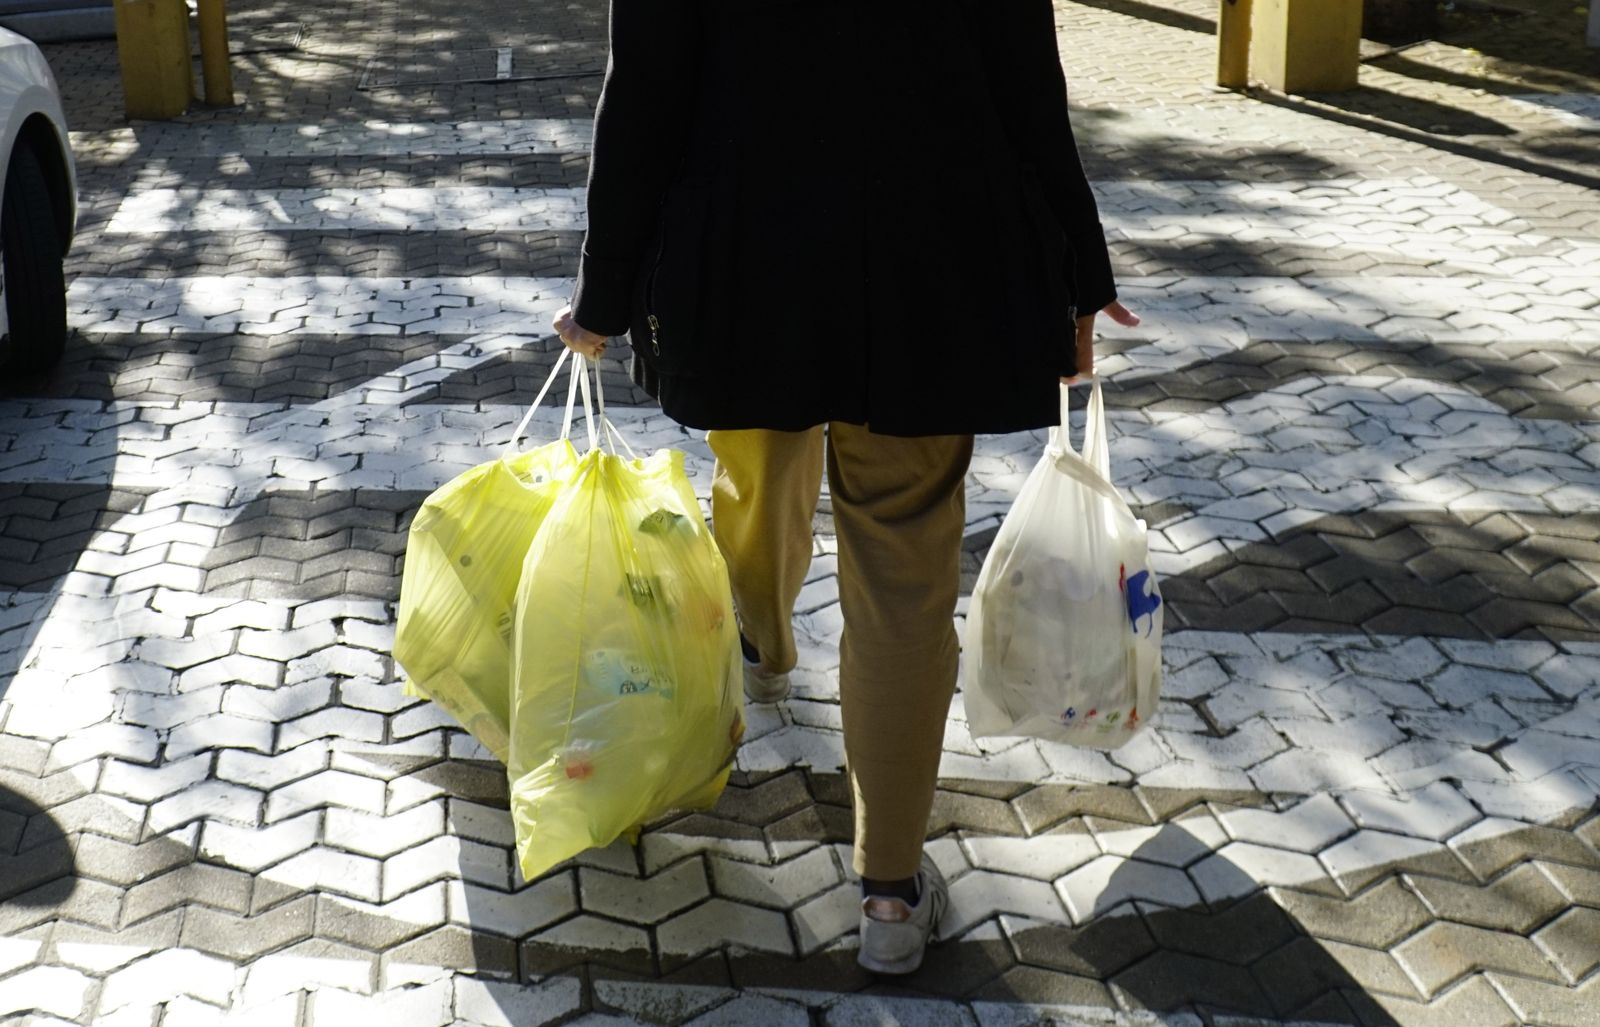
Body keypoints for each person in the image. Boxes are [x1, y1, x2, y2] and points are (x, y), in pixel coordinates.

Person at [552, 0, 1139, 975]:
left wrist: (605, 289)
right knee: (905, 567)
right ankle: (889, 895)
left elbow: (648, 89)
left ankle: (762, 642)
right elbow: (1024, 79)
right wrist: (1078, 270)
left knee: (756, 464)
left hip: (744, 259)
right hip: (933, 262)